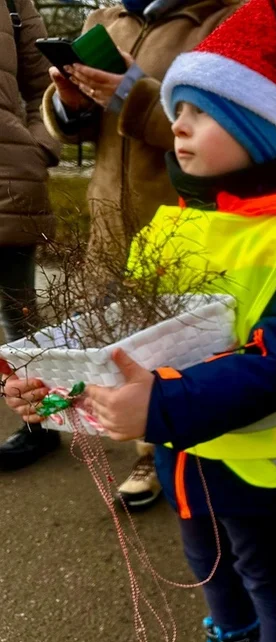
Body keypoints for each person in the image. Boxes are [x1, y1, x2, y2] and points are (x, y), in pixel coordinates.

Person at [5, 1, 276, 642]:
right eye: (179, 109)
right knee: (206, 561)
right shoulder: (173, 225)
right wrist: (51, 392)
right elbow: (128, 345)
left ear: (262, 129)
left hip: (266, 462)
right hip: (183, 450)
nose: (179, 126)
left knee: (268, 575)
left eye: (201, 112)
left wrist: (159, 404)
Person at [39, 0, 239, 506]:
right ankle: (147, 449)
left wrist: (134, 92)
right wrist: (71, 103)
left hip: (181, 223)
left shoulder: (223, 17)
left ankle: (180, 457)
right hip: (109, 219)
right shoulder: (105, 21)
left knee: (181, 349)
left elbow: (229, 128)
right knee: (119, 346)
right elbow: (76, 129)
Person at [0, 0, 61, 470]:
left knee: (18, 315)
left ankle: (40, 425)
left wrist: (37, 145)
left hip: (5, 176)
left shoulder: (14, 3)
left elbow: (47, 84)